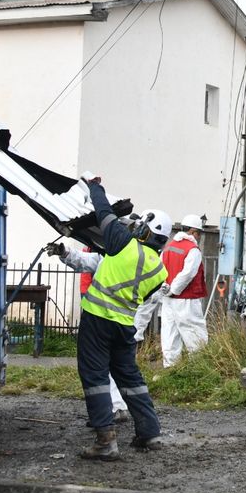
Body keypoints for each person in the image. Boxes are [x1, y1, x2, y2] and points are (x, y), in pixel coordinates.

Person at [71, 177, 171, 461]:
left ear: (145, 231)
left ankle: (106, 441)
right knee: (129, 376)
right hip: (125, 326)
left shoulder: (123, 243)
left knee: (95, 376)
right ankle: (149, 432)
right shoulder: (160, 271)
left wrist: (94, 187)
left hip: (97, 319)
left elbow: (104, 213)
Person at [46, 243, 129, 425]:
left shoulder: (114, 255)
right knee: (118, 367)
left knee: (100, 367)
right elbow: (85, 261)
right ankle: (118, 407)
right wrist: (65, 252)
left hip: (105, 320)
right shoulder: (132, 256)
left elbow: (87, 262)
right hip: (123, 322)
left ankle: (110, 413)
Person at [158, 214, 209, 367]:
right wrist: (174, 289)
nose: (199, 236)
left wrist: (166, 289)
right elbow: (187, 274)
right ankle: (199, 366)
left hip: (167, 299)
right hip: (186, 298)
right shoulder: (192, 250)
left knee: (169, 333)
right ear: (193, 231)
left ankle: (170, 366)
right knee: (194, 332)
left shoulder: (167, 247)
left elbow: (159, 270)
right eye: (199, 233)